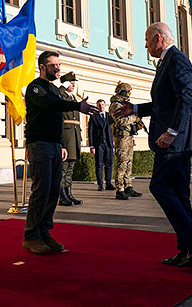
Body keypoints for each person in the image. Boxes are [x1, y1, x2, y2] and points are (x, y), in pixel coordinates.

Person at [114, 22, 192, 268]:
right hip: (176, 137)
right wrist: (134, 109)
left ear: (158, 38)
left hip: (174, 140)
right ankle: (189, 251)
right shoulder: (167, 62)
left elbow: (187, 97)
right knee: (179, 193)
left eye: (147, 40)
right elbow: (163, 104)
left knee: (159, 186)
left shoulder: (177, 60)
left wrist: (172, 131)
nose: (145, 45)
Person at [23, 51, 99, 254]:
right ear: (42, 67)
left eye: (59, 65)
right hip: (39, 144)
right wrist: (77, 105)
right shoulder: (35, 88)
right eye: (53, 65)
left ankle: (44, 232)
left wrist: (62, 145)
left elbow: (57, 120)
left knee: (54, 191)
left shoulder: (56, 90)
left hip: (54, 146)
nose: (58, 68)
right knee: (42, 189)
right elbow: (50, 105)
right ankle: (31, 236)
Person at [109, 82, 144, 200]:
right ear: (123, 92)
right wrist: (134, 117)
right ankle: (120, 189)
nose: (129, 94)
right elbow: (120, 121)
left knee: (129, 163)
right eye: (128, 92)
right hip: (121, 137)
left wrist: (137, 123)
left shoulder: (126, 104)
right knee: (122, 163)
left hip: (129, 137)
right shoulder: (115, 105)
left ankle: (128, 186)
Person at [58, 71, 83, 206]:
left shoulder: (73, 98)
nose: (73, 85)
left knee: (70, 167)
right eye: (71, 83)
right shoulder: (60, 95)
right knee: (64, 167)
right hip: (66, 136)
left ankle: (69, 193)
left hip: (73, 136)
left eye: (74, 83)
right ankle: (62, 195)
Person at [88, 99, 114, 191]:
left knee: (109, 164)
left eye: (102, 105)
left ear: (105, 105)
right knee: (99, 164)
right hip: (98, 144)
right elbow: (90, 131)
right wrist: (91, 146)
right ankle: (100, 184)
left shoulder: (109, 116)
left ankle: (108, 183)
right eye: (99, 105)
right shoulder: (93, 116)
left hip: (109, 143)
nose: (101, 107)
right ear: (97, 106)